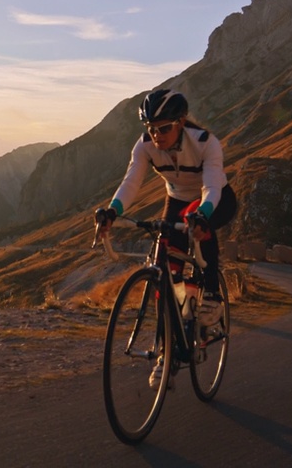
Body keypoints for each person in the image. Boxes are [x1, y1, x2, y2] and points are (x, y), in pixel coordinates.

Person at [93, 88, 238, 386]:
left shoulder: (206, 143)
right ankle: (168, 352)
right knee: (165, 276)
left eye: (164, 128)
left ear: (181, 122)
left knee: (196, 222)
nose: (156, 135)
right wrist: (112, 211)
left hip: (215, 198)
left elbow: (211, 186)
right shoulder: (145, 146)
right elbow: (131, 182)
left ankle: (211, 295)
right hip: (176, 198)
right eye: (151, 129)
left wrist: (203, 215)